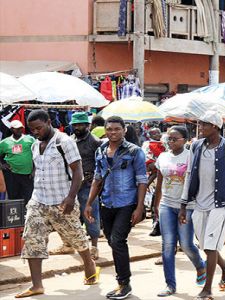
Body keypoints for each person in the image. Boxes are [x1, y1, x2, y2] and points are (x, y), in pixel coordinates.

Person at [15, 110, 100, 299]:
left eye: (39, 127)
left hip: (62, 201)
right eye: (32, 129)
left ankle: (89, 264)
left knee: (76, 237)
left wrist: (71, 198)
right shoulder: (35, 145)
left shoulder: (65, 142)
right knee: (32, 239)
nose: (36, 132)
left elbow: (77, 171)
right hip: (38, 200)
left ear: (48, 122)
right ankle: (37, 285)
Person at [180, 112, 225, 299]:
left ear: (215, 127)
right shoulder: (196, 146)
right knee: (206, 247)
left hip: (221, 205)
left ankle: (207, 289)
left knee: (210, 244)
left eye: (204, 125)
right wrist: (184, 204)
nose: (200, 128)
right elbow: (190, 175)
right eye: (200, 124)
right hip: (199, 204)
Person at [85, 116, 148, 299]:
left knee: (118, 240)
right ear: (105, 130)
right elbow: (97, 178)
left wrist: (139, 207)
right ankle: (122, 282)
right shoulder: (101, 151)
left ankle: (124, 283)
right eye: (110, 129)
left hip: (127, 203)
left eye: (117, 129)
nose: (113, 132)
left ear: (124, 130)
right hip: (106, 203)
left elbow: (142, 180)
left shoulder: (135, 151)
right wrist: (89, 203)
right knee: (112, 242)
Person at [152, 126, 207, 297]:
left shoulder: (191, 156)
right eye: (168, 138)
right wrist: (156, 204)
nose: (171, 142)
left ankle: (200, 266)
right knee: (167, 245)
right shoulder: (163, 157)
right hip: (166, 205)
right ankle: (170, 285)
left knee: (186, 244)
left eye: (175, 139)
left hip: (188, 206)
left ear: (185, 140)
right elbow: (160, 182)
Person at [49, 113, 102, 259]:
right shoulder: (68, 140)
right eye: (75, 125)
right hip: (70, 185)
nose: (77, 127)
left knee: (90, 214)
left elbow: (101, 163)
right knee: (65, 215)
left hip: (88, 185)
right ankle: (68, 244)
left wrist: (96, 179)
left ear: (88, 125)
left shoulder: (95, 142)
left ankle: (94, 246)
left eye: (80, 125)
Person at [0, 120, 35, 205]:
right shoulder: (5, 142)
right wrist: (2, 165)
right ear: (12, 129)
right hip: (11, 174)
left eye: (21, 128)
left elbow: (37, 155)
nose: (19, 130)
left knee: (28, 197)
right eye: (17, 129)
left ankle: (27, 216)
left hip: (27, 174)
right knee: (13, 198)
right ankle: (15, 216)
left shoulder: (30, 139)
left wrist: (34, 170)